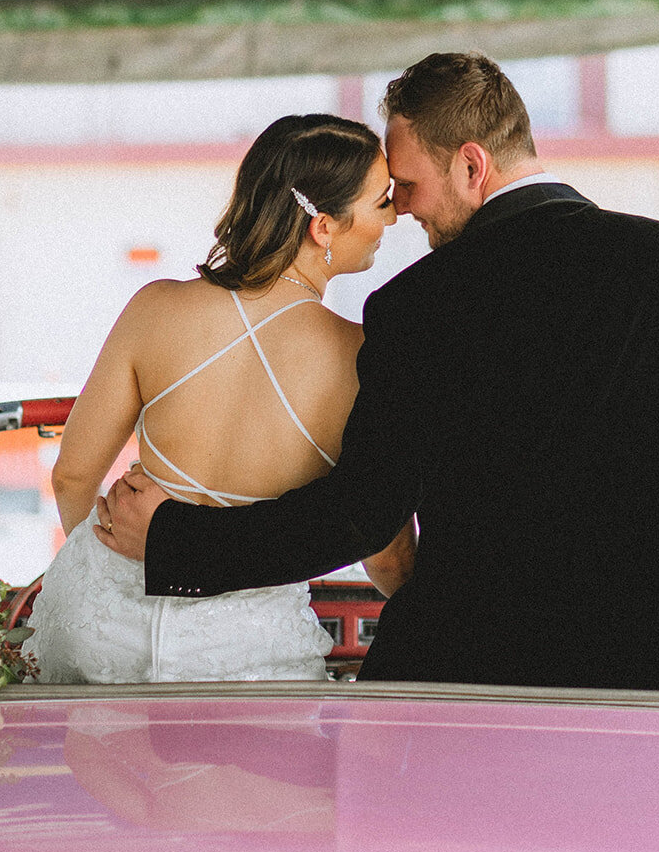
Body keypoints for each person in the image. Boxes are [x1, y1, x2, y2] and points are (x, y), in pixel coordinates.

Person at [96, 51, 659, 693]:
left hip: (489, 679)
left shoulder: (419, 304)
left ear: (472, 166)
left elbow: (359, 514)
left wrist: (174, 540)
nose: (404, 208)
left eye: (409, 186)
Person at [27, 113, 412, 684]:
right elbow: (382, 548)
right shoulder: (358, 356)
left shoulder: (154, 308)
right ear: (323, 227)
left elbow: (72, 477)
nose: (396, 213)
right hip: (246, 649)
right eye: (382, 200)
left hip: (102, 632)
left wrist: (107, 579)